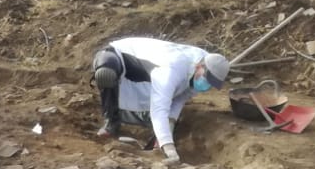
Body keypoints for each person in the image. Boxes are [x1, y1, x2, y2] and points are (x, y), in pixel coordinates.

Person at [90, 37, 230, 162]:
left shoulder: (205, 64)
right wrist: (168, 146)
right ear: (199, 67)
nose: (207, 85)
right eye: (207, 79)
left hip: (145, 77)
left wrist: (168, 127)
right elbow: (159, 109)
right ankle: (111, 122)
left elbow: (178, 100)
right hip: (118, 57)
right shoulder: (172, 68)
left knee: (157, 122)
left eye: (212, 83)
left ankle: (152, 143)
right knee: (105, 74)